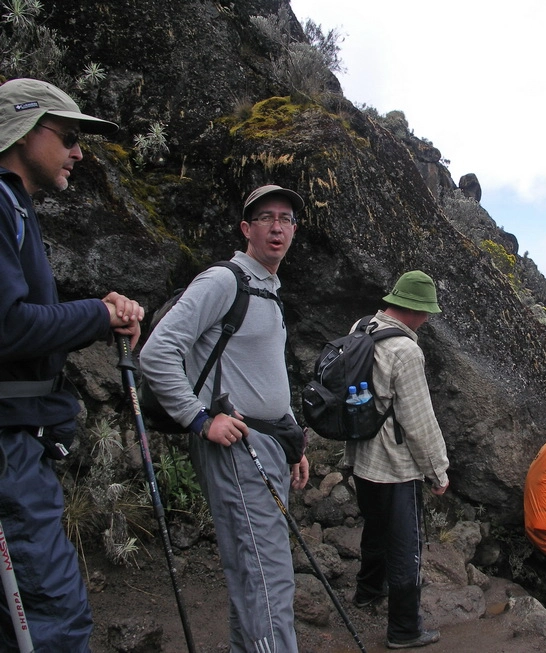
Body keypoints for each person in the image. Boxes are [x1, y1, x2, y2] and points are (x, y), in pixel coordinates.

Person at [0, 78, 144, 651]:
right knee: (52, 623)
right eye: (68, 136)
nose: (79, 152)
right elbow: (8, 326)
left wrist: (93, 312)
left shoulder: (15, 210)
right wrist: (98, 316)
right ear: (23, 131)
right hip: (7, 454)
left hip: (18, 445)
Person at [140, 184, 310, 652]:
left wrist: (293, 440)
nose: (277, 227)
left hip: (269, 446)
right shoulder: (224, 281)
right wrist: (199, 419)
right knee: (267, 576)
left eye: (286, 218)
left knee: (260, 573)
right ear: (246, 229)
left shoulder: (269, 292)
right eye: (266, 218)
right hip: (238, 445)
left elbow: (265, 375)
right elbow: (157, 352)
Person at [343, 270, 450, 650]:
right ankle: (404, 629)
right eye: (426, 313)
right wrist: (438, 472)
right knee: (406, 545)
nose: (427, 320)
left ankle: (368, 591)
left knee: (375, 527)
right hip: (395, 465)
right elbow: (419, 422)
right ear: (416, 310)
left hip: (360, 456)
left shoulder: (362, 326)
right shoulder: (406, 351)